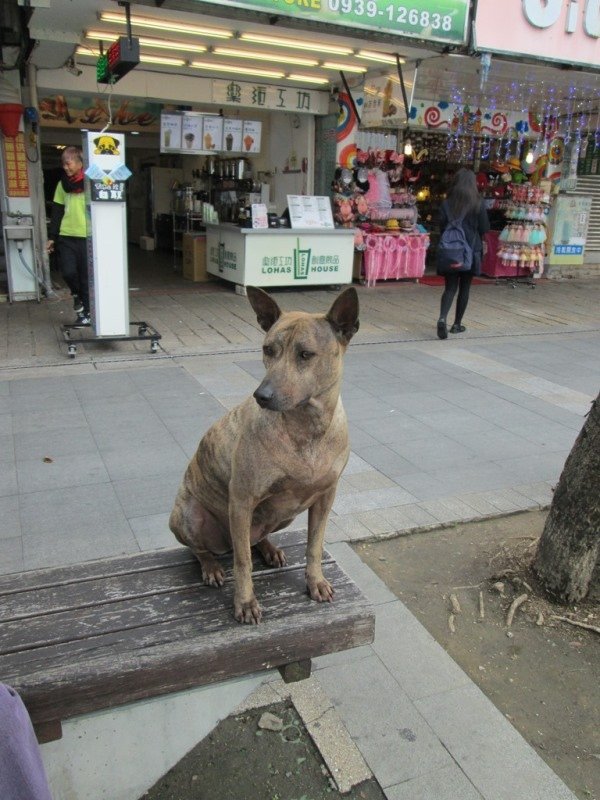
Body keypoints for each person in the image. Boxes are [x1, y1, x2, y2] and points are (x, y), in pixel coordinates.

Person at [436, 167, 490, 339]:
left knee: (450, 287)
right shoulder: (478, 203)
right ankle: (457, 324)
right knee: (465, 288)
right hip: (471, 251)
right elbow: (484, 228)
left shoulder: (447, 203)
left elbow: (441, 226)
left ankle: (442, 318)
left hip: (451, 251)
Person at [47, 146, 90, 325]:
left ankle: (85, 313)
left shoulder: (91, 182)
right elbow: (57, 212)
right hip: (67, 236)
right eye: (63, 163)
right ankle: (75, 294)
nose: (65, 167)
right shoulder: (62, 185)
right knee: (68, 272)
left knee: (86, 278)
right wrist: (52, 237)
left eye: (68, 163)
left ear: (80, 163)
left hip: (88, 236)